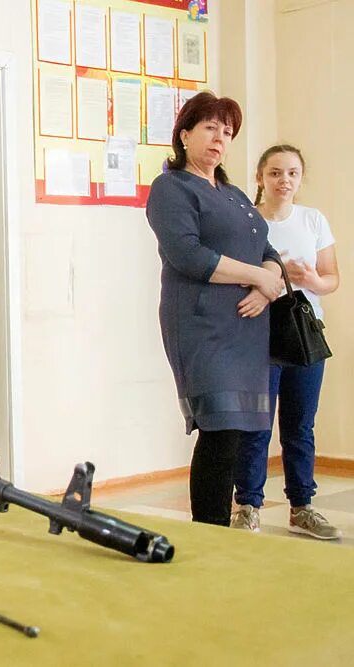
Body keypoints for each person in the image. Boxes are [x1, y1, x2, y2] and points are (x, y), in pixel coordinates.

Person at [145, 92, 284, 526]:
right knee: (220, 431)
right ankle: (210, 531)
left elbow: (268, 248)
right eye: (209, 128)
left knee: (240, 434)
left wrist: (267, 283)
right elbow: (188, 255)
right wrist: (258, 276)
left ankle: (223, 527)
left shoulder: (235, 193)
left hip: (247, 327)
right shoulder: (171, 187)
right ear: (184, 134)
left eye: (227, 132)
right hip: (202, 324)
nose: (219, 139)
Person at [231, 145, 342, 539]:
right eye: (275, 173)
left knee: (300, 425)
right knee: (255, 423)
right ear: (260, 177)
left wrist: (308, 279)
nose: (284, 181)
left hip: (303, 335)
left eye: (292, 173)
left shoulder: (313, 220)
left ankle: (302, 506)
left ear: (300, 178)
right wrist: (278, 276)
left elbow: (331, 278)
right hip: (259, 334)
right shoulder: (248, 220)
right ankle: (247, 505)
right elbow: (239, 276)